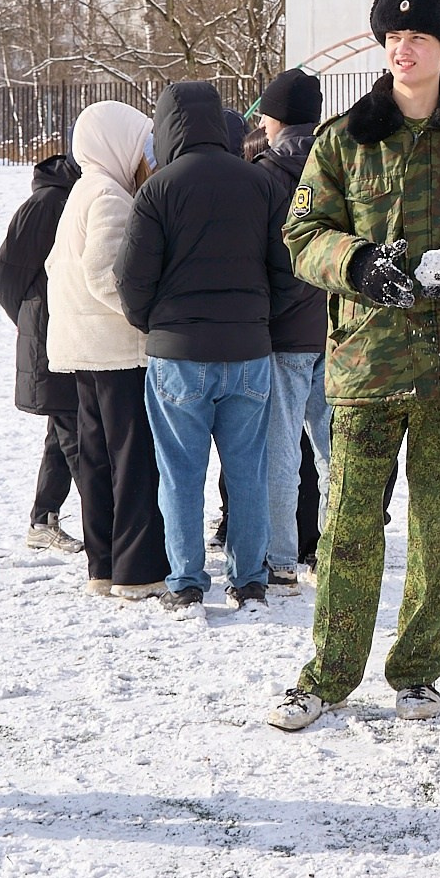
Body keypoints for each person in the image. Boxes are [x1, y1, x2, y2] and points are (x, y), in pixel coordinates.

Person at [267, 0, 440, 731]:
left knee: (439, 522)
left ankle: (418, 668)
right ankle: (327, 673)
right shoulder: (344, 138)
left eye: (419, 37)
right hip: (365, 365)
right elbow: (301, 235)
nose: (403, 46)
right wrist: (356, 263)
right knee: (349, 523)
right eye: (392, 36)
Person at [115, 82, 296, 613]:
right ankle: (250, 579)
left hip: (178, 353)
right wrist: (260, 318)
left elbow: (132, 280)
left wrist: (157, 324)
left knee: (180, 473)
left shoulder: (157, 189)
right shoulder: (261, 183)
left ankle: (188, 580)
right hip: (249, 350)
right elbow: (289, 271)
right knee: (248, 470)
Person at [46, 100, 166, 600]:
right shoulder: (110, 196)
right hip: (118, 352)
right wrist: (145, 317)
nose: (150, 158)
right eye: (144, 146)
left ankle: (103, 566)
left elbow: (56, 267)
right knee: (133, 460)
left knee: (96, 460)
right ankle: (136, 572)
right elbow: (105, 274)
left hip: (84, 350)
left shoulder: (81, 191)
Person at [252, 68, 332, 585]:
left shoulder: (264, 172)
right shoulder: (338, 163)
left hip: (283, 332)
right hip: (336, 325)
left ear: (276, 117)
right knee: (336, 452)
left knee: (281, 450)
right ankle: (336, 549)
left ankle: (281, 559)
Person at [0, 152, 87, 554]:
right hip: (50, 333)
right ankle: (106, 519)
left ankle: (42, 517)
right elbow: (6, 273)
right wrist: (31, 318)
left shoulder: (73, 198)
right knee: (75, 434)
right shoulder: (47, 202)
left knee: (62, 430)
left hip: (66, 330)